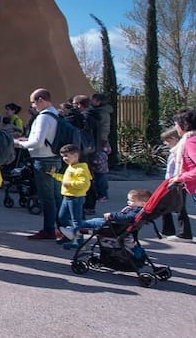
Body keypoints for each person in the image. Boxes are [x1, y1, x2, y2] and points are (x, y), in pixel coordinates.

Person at [16, 89, 63, 240]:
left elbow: (37, 142)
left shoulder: (43, 117)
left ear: (41, 100)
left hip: (43, 160)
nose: (33, 106)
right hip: (54, 158)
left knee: (47, 197)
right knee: (56, 196)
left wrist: (18, 143)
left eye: (33, 102)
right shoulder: (55, 114)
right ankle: (63, 227)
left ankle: (49, 229)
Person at [60, 189, 150, 243]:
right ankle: (73, 230)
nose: (128, 202)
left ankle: (73, 231)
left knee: (92, 223)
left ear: (142, 203)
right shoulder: (137, 209)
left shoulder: (135, 211)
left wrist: (111, 215)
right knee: (92, 221)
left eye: (132, 201)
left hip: (114, 226)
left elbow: (126, 217)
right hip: (116, 224)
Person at [168, 109, 196, 238]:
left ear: (185, 125)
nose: (175, 127)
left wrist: (181, 177)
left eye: (176, 124)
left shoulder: (192, 142)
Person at [159, 127, 192, 239]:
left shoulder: (179, 151)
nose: (165, 143)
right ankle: (168, 231)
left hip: (177, 181)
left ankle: (184, 233)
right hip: (171, 181)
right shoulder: (174, 151)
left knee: (178, 207)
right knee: (167, 206)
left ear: (174, 139)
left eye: (167, 141)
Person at [51, 144, 91, 235]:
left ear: (76, 156)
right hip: (67, 196)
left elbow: (85, 184)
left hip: (76, 197)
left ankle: (78, 241)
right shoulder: (71, 166)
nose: (64, 158)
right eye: (63, 156)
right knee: (62, 217)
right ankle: (68, 236)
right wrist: (54, 175)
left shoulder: (81, 169)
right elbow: (66, 179)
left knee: (76, 220)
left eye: (66, 156)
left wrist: (69, 184)